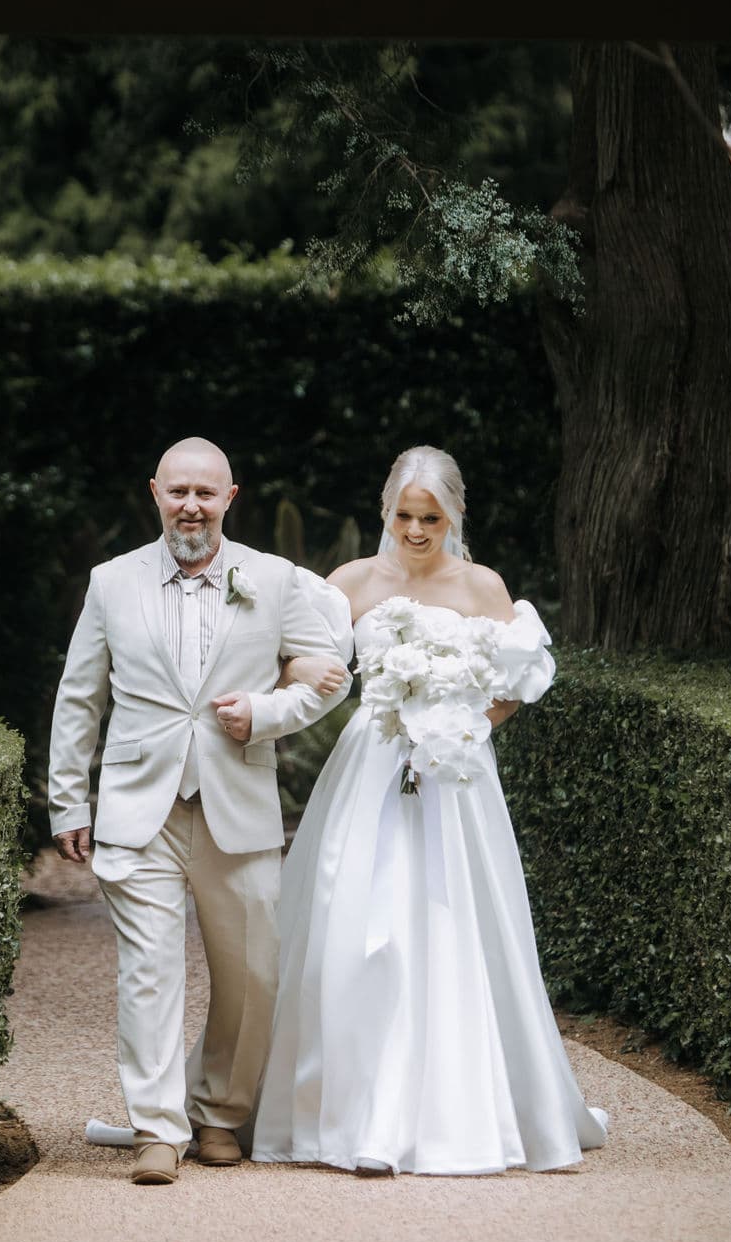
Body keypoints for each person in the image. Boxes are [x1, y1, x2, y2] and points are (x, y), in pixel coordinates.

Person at [251, 444, 608, 1176]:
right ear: (385, 511)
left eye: (431, 517)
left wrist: (464, 727)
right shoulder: (348, 582)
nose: (416, 530)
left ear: (453, 516)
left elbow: (520, 677)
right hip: (370, 765)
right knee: (351, 922)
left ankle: (453, 1113)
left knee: (453, 923)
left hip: (454, 776)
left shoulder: (482, 585)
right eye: (405, 515)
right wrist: (307, 675)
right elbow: (297, 654)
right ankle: (346, 1110)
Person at [48, 437, 352, 1185]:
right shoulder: (111, 582)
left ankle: (219, 1113)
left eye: (205, 494)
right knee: (149, 973)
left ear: (230, 498)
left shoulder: (276, 579)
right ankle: (158, 1129)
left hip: (236, 806)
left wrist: (265, 712)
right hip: (137, 806)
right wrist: (67, 799)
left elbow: (330, 678)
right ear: (155, 492)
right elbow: (80, 697)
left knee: (253, 973)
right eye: (178, 491)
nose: (191, 505)